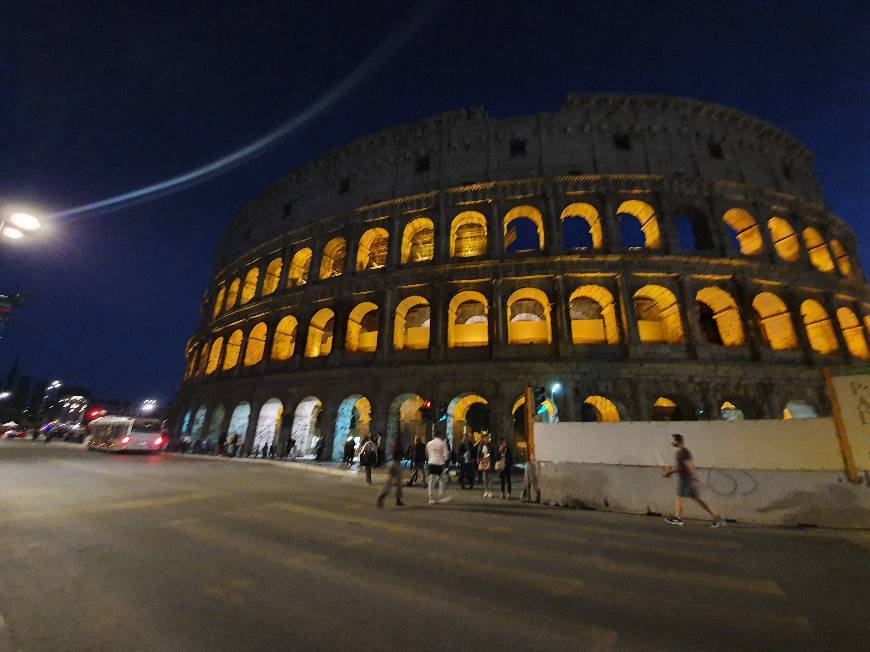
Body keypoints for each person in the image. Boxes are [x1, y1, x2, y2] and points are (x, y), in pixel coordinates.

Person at [664, 434, 725, 527]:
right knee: (695, 499)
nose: (671, 442)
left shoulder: (684, 452)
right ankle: (717, 517)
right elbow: (679, 466)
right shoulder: (679, 452)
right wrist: (670, 472)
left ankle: (678, 518)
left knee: (681, 496)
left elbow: (690, 465)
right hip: (684, 479)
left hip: (686, 479)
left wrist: (695, 479)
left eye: (672, 440)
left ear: (677, 441)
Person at [376, 435, 406, 508]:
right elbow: (401, 455)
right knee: (399, 483)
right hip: (396, 464)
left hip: (390, 463)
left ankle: (382, 495)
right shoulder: (398, 446)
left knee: (389, 482)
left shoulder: (392, 446)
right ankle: (397, 499)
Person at [425, 432, 451, 505]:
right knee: (443, 480)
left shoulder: (429, 443)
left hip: (431, 463)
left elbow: (427, 454)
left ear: (434, 435)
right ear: (440, 435)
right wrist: (445, 463)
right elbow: (446, 455)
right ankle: (442, 496)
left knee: (431, 481)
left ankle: (431, 498)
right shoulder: (442, 443)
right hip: (439, 463)